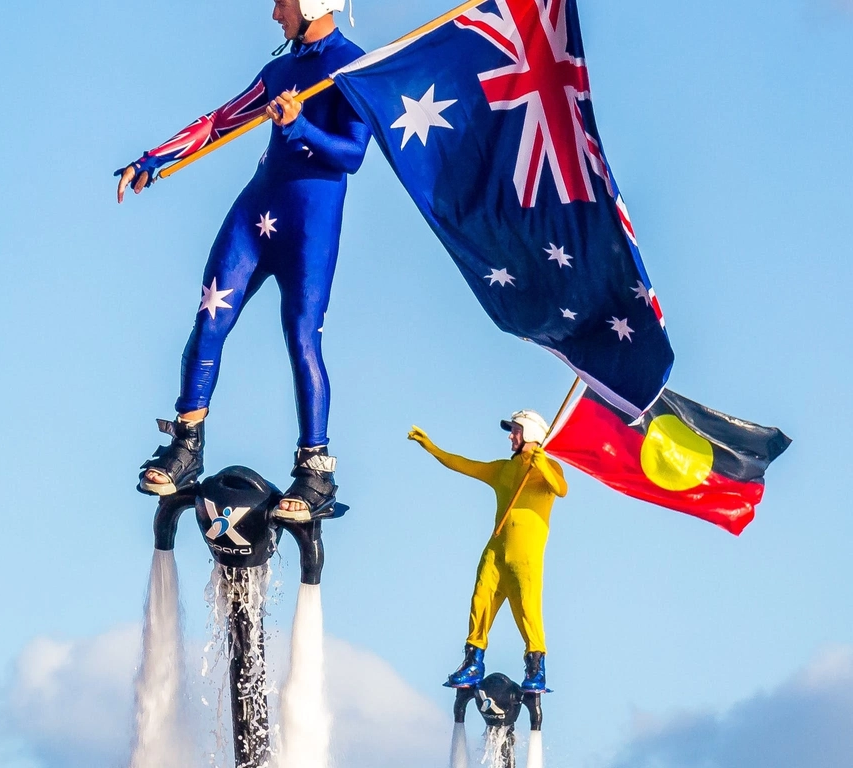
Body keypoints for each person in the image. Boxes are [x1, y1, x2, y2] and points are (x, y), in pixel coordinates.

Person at [116, 0, 369, 521]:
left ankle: (315, 469)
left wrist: (300, 128)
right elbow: (220, 122)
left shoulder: (352, 67)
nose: (275, 13)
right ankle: (186, 445)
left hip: (310, 227)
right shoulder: (279, 71)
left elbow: (353, 154)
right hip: (256, 213)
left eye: (283, 2)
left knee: (302, 336)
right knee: (209, 319)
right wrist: (155, 159)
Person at [408, 411, 568, 693]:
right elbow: (464, 465)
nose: (510, 435)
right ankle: (472, 663)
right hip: (495, 553)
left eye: (515, 430)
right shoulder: (502, 470)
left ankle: (536, 669)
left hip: (525, 559)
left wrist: (541, 463)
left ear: (530, 434)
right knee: (479, 602)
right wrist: (431, 447)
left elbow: (561, 489)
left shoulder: (547, 469)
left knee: (529, 613)